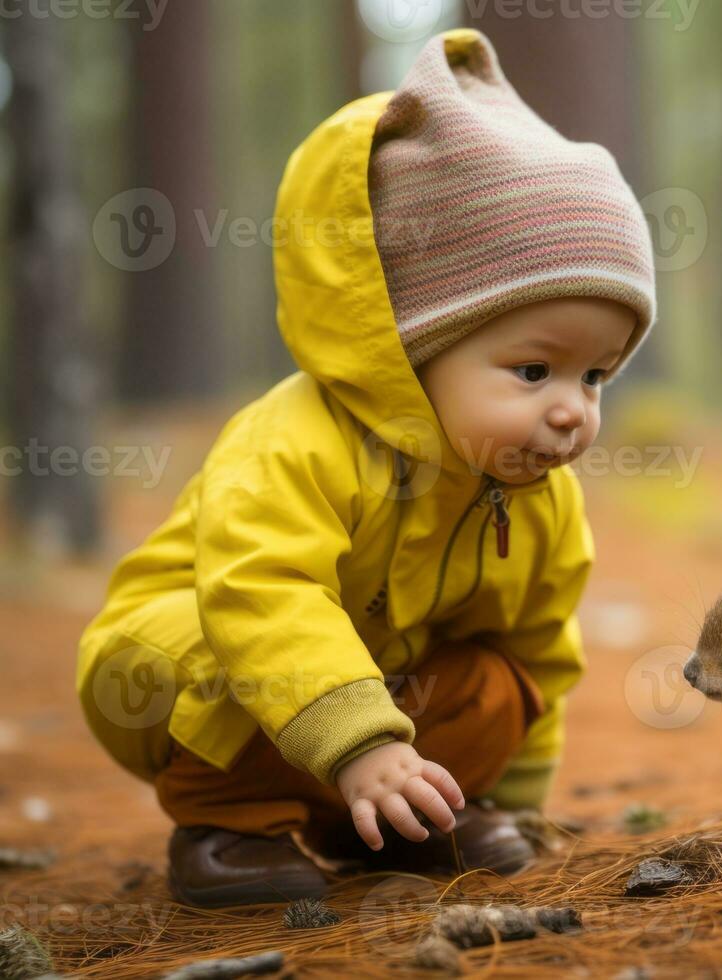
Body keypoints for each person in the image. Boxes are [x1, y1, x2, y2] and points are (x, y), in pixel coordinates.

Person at [74, 27, 657, 908]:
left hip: (378, 681)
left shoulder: (540, 501)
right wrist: (358, 743)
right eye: (534, 371)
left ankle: (404, 818)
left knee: (499, 682)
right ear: (411, 342)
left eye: (595, 375)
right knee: (230, 646)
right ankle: (230, 827)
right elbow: (262, 594)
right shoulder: (296, 439)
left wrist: (509, 796)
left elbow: (541, 648)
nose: (572, 407)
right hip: (178, 660)